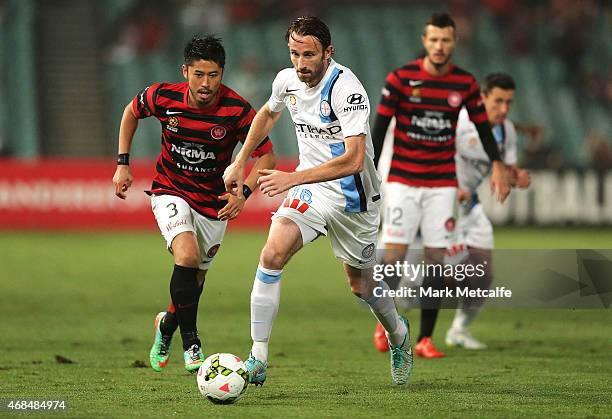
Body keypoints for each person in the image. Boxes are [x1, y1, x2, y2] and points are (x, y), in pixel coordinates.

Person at [223, 16, 413, 386]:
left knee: (360, 286)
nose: (300, 63)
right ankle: (258, 357)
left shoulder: (347, 89)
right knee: (271, 255)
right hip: (312, 190)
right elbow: (267, 113)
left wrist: (291, 177)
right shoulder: (286, 80)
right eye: (294, 53)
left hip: (354, 198)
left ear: (329, 53)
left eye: (308, 54)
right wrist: (241, 158)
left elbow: (354, 159)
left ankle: (398, 335)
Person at [112, 35, 276, 373]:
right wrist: (122, 163)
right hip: (170, 189)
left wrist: (242, 194)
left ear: (223, 73)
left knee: (194, 281)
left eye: (213, 75)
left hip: (213, 204)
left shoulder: (236, 110)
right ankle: (192, 342)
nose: (205, 83)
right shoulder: (163, 96)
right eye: (198, 74)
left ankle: (166, 326)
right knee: (185, 255)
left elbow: (267, 157)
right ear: (185, 71)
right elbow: (131, 111)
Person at [371, 13, 510, 358]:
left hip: (441, 184)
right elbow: (380, 125)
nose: (439, 46)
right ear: (424, 40)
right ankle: (384, 324)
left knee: (436, 261)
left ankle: (424, 339)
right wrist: (370, 172)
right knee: (394, 255)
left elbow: (480, 127)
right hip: (403, 180)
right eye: (433, 40)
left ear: (453, 42)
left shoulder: (463, 84)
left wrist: (496, 163)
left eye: (445, 40)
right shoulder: (402, 79)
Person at [445, 72, 530, 349]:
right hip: (443, 207)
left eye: (509, 103)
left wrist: (516, 177)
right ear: (482, 98)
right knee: (446, 274)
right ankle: (396, 313)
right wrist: (451, 185)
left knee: (483, 275)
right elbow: (433, 156)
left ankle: (458, 330)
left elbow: (504, 171)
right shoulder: (459, 121)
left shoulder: (507, 131)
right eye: (498, 102)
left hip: (470, 209)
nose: (504, 110)